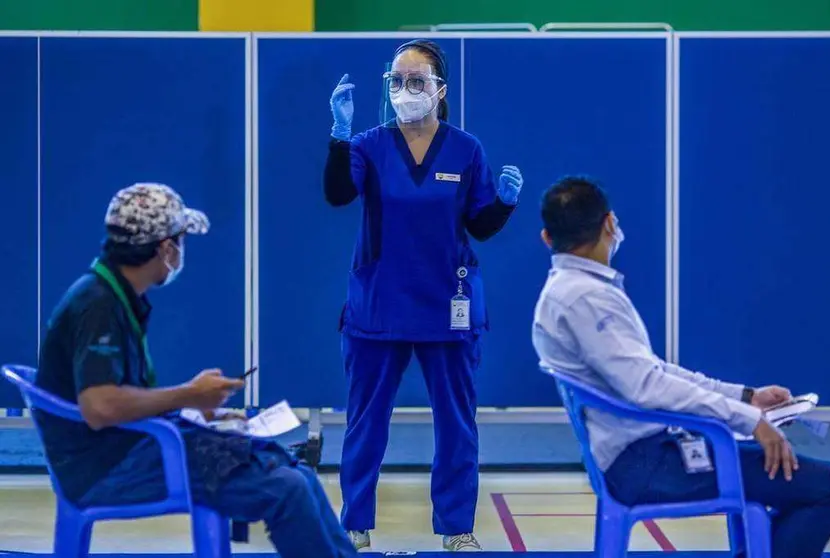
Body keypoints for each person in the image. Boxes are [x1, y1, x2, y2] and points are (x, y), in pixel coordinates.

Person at [35, 183, 356, 558]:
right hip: (107, 468)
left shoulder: (111, 296)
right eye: (180, 240)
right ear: (165, 248)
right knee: (286, 488)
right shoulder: (98, 306)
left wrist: (194, 411)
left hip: (124, 448)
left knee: (297, 472)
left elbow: (117, 395)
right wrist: (189, 395)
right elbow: (100, 406)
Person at [531, 176, 830, 558]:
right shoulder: (585, 299)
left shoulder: (573, 292)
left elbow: (655, 373)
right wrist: (749, 420)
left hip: (648, 450)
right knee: (828, 487)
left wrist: (747, 398)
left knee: (809, 481)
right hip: (646, 463)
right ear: (610, 223)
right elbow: (649, 387)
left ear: (547, 238)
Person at [323, 39, 524, 552]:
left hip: (447, 307)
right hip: (379, 307)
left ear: (439, 89)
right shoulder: (368, 144)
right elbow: (339, 193)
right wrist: (339, 136)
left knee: (457, 423)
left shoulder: (466, 148)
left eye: (416, 81)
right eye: (396, 81)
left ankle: (457, 529)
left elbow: (478, 225)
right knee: (366, 422)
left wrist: (503, 203)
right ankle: (355, 526)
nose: (405, 90)